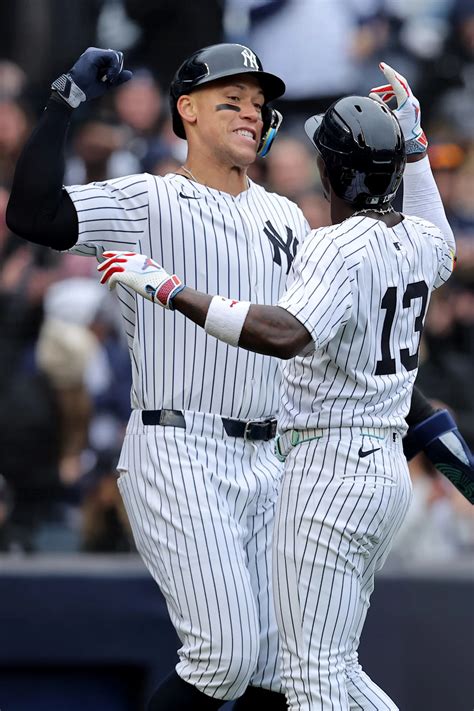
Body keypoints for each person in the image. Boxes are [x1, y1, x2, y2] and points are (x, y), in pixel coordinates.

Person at [6, 47, 470, 709]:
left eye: (258, 103)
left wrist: (440, 446)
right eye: (232, 101)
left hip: (276, 458)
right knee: (223, 657)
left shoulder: (288, 217)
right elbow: (33, 214)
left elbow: (338, 345)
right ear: (186, 111)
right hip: (180, 444)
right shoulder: (148, 197)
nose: (251, 113)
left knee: (284, 670)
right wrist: (63, 101)